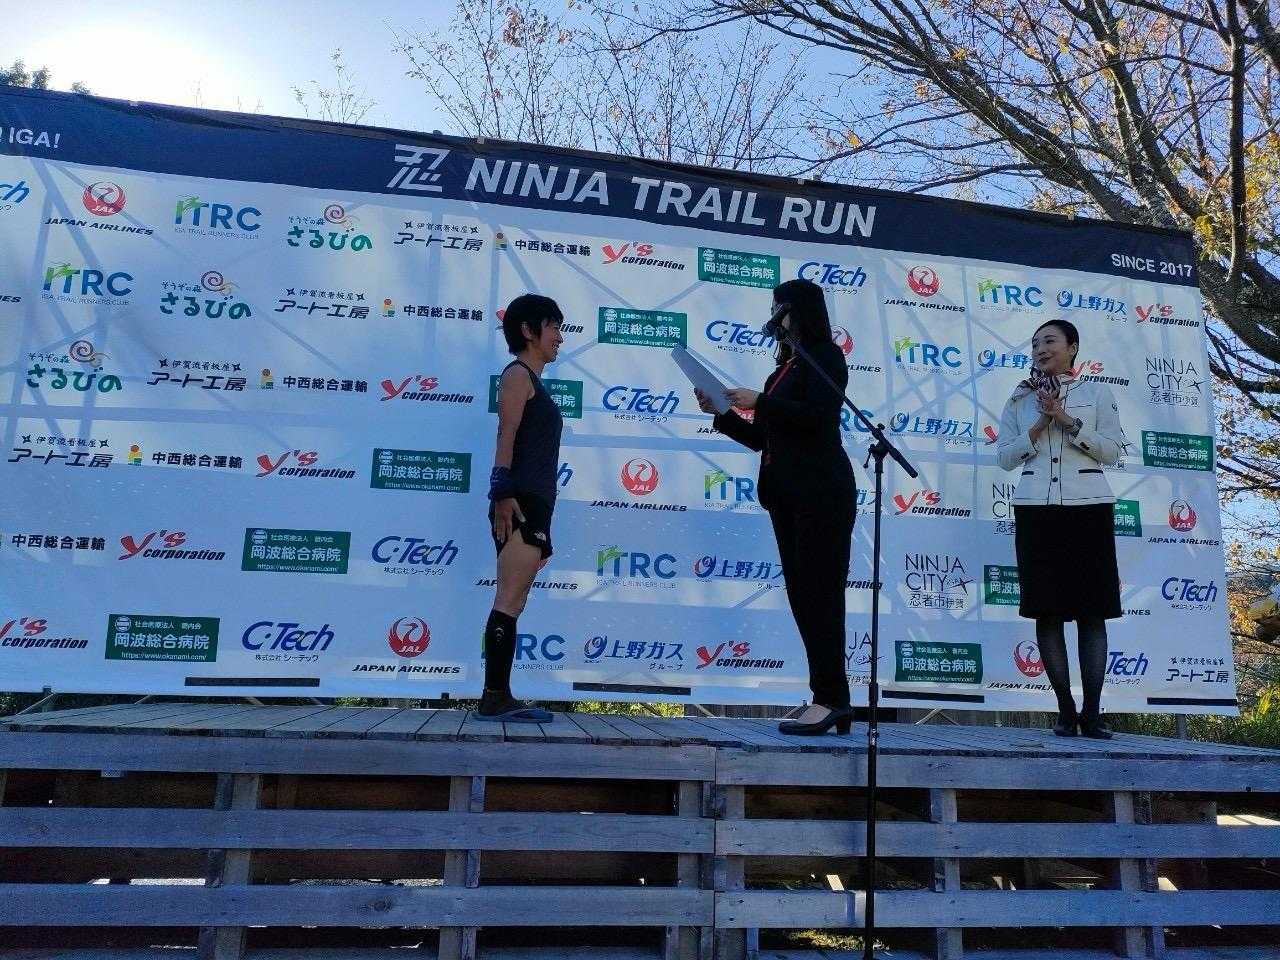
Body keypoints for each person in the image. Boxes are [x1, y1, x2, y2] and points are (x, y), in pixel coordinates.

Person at [695, 278, 856, 735]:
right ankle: (827, 697)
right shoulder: (782, 369)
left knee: (821, 594)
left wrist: (761, 401)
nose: (773, 317)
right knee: (804, 597)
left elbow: (819, 418)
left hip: (822, 491)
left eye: (779, 308)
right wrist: (722, 412)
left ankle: (832, 700)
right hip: (786, 495)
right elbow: (763, 437)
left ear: (797, 310)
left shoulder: (825, 356)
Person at [997, 318, 1127, 739]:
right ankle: (1065, 711)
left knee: (1093, 611)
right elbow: (1005, 458)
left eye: (1049, 341)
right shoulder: (1020, 398)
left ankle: (1093, 713)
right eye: (1035, 343)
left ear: (1072, 347)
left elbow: (1112, 451)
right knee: (1046, 610)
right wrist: (1039, 423)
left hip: (1089, 509)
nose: (1040, 349)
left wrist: (1066, 420)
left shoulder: (1096, 393)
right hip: (1036, 510)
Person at [477, 293, 565, 722]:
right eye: (554, 328)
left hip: (535, 503)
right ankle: (494, 698)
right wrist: (502, 494)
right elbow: (505, 434)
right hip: (518, 502)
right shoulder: (517, 375)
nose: (559, 338)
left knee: (516, 600)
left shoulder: (535, 380)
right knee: (508, 600)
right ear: (529, 331)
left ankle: (499, 695)